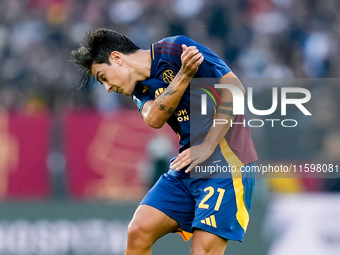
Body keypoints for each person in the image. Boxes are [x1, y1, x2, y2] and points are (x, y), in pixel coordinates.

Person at [71, 28, 257, 255]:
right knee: (138, 231)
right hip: (188, 164)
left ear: (117, 58)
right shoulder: (139, 88)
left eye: (103, 78)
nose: (108, 88)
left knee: (203, 251)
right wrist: (183, 76)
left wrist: (208, 145)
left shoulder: (175, 49)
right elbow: (154, 118)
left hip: (226, 163)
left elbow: (235, 89)